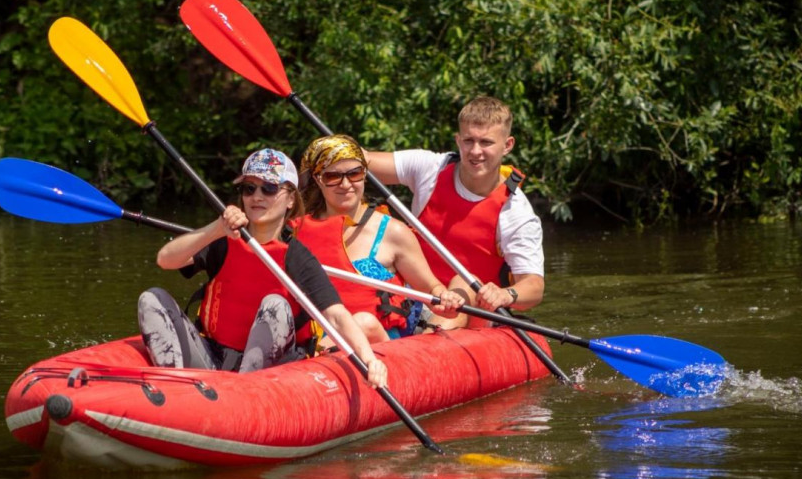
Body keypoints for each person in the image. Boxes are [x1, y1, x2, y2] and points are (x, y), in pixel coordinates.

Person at [137, 148, 388, 388]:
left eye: (269, 189)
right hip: (212, 357)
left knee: (275, 304)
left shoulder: (297, 257)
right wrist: (216, 229)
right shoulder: (224, 242)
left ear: (290, 199)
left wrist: (369, 360)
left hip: (270, 371)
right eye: (249, 188)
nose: (257, 197)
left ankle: (243, 391)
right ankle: (178, 388)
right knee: (152, 298)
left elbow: (336, 315)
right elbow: (166, 260)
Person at [366, 96, 545, 317]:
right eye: (468, 141)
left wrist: (506, 295)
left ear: (507, 145)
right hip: (416, 296)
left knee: (465, 283)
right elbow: (362, 161)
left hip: (470, 311)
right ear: (458, 141)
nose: (475, 151)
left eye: (486, 142)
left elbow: (534, 286)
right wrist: (334, 153)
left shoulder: (515, 211)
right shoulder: (430, 168)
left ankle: (432, 340)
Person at [295, 134, 469, 341]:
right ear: (318, 179)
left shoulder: (393, 232)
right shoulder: (296, 231)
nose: (345, 184)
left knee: (362, 322)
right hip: (316, 343)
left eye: (355, 174)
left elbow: (431, 288)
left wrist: (444, 298)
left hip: (380, 342)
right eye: (333, 176)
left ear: (365, 174)